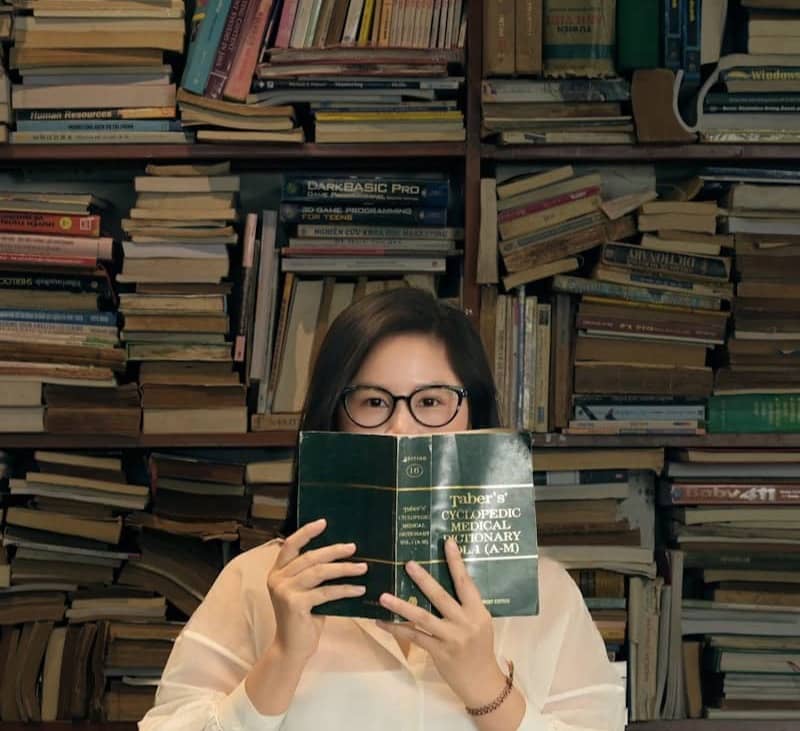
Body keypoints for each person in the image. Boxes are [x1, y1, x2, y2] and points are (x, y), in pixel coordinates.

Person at [139, 287, 626, 731]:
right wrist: (283, 658)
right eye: (373, 402)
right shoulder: (257, 581)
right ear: (334, 418)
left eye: (431, 402)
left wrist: (484, 685)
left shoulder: (546, 593)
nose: (401, 429)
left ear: (473, 414)